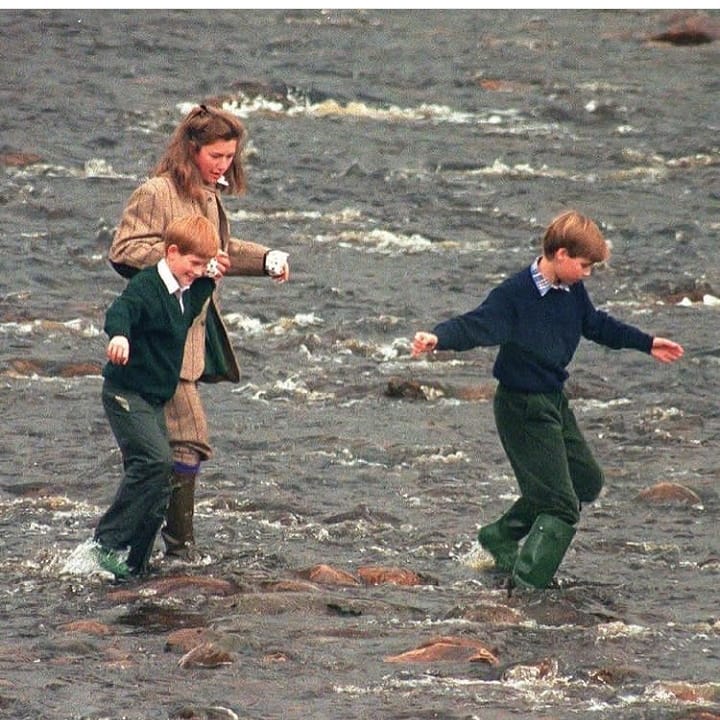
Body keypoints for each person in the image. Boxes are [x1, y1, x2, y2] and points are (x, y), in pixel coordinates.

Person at [411, 210, 684, 590]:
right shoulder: (515, 295)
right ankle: (527, 588)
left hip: (553, 402)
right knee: (559, 506)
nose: (587, 273)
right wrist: (437, 339)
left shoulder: (571, 291)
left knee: (585, 483)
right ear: (560, 254)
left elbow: (597, 324)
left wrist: (647, 342)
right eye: (584, 265)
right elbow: (475, 324)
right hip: (521, 407)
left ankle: (499, 537)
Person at [108, 103, 290, 561]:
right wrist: (181, 260)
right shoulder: (156, 192)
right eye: (216, 156)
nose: (224, 166)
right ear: (192, 149)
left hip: (189, 336)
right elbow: (125, 250)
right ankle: (177, 549)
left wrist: (266, 260)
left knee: (166, 451)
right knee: (185, 438)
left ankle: (145, 549)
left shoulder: (209, 196)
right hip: (158, 338)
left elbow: (218, 251)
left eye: (230, 157)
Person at [94, 215, 220, 579]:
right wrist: (119, 336)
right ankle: (105, 543)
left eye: (202, 264)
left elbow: (196, 298)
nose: (196, 271)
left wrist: (210, 274)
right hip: (125, 393)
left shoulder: (184, 293)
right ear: (172, 252)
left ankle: (134, 565)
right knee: (153, 461)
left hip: (152, 400)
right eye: (193, 264)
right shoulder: (148, 286)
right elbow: (121, 311)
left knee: (161, 480)